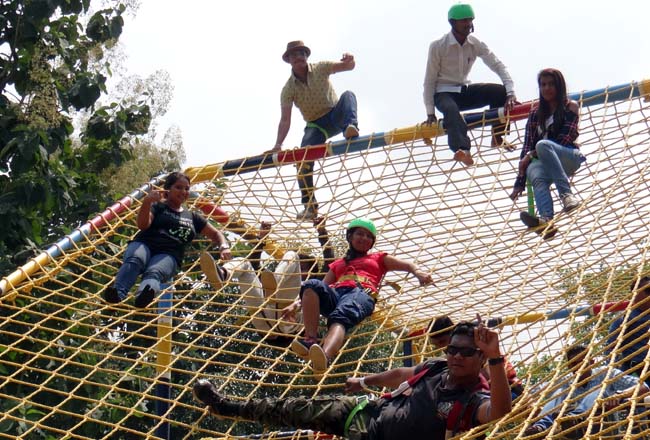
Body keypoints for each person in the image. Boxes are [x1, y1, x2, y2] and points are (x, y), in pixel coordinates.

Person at [193, 320, 512, 440]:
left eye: (466, 352)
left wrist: (495, 356)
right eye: (452, 349)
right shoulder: (437, 367)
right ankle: (227, 406)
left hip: (377, 438)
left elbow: (499, 412)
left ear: (481, 358)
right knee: (296, 408)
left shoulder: (473, 399)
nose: (456, 356)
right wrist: (365, 381)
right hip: (365, 414)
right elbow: (400, 375)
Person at [282, 218, 433, 372]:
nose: (364, 238)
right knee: (311, 284)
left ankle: (324, 357)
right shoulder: (338, 264)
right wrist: (296, 305)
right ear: (350, 236)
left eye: (369, 236)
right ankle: (310, 340)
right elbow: (321, 287)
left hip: (360, 293)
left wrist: (418, 272)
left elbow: (407, 265)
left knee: (339, 317)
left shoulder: (378, 258)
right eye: (360, 234)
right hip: (337, 293)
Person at [103, 172, 232, 308]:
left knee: (155, 271)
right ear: (168, 190)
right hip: (145, 244)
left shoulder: (193, 217)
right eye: (178, 187)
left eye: (187, 189)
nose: (183, 191)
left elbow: (216, 234)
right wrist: (147, 202)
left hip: (169, 254)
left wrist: (224, 246)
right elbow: (142, 225)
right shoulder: (158, 207)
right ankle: (117, 292)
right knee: (136, 259)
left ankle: (143, 296)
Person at [269, 40, 360, 221]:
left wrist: (350, 60)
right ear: (289, 60)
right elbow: (285, 119)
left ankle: (351, 127)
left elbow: (348, 66)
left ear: (306, 56)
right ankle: (309, 206)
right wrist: (278, 144)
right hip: (316, 126)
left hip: (335, 114)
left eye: (302, 54)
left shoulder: (320, 68)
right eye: (294, 55)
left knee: (348, 95)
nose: (299, 57)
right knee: (302, 160)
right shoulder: (288, 89)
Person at [200, 216, 335, 337]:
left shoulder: (315, 284)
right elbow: (254, 265)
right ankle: (223, 274)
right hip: (262, 316)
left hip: (290, 320)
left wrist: (322, 231)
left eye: (304, 269)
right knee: (245, 264)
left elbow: (329, 261)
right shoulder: (270, 279)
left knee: (292, 255)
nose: (300, 271)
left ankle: (275, 285)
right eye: (299, 267)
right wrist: (262, 238)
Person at [423, 3, 516, 166]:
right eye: (464, 21)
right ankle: (463, 150)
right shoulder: (438, 46)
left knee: (499, 92)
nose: (468, 24)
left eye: (470, 20)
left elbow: (498, 65)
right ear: (453, 23)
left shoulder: (475, 43)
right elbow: (429, 81)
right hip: (443, 93)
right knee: (451, 110)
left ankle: (497, 136)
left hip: (463, 90)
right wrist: (430, 113)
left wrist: (510, 93)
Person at [509, 68, 585, 240]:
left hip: (568, 157)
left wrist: (531, 155)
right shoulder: (535, 114)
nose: (547, 88)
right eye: (543, 85)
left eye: (551, 84)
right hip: (545, 163)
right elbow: (526, 146)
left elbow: (564, 139)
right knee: (534, 172)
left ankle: (566, 195)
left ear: (559, 86)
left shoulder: (570, 106)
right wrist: (519, 182)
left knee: (543, 145)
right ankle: (546, 222)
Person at [524, 344, 648, 437]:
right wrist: (531, 403)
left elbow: (643, 386)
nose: (579, 367)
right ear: (569, 366)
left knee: (598, 389)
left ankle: (575, 419)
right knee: (558, 393)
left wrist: (620, 395)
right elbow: (534, 391)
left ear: (592, 362)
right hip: (569, 430)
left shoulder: (606, 373)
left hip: (602, 425)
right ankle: (540, 427)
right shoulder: (566, 381)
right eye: (574, 364)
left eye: (582, 363)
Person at [428, 315, 523, 397]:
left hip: (510, 390)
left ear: (452, 335)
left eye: (442, 341)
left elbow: (489, 380)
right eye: (436, 345)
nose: (440, 348)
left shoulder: (477, 346)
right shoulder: (448, 358)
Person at [607, 276, 650, 386]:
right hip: (637, 370)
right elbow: (611, 348)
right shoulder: (625, 318)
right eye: (648, 290)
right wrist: (613, 374)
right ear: (636, 294)